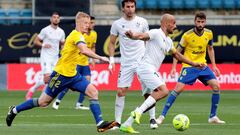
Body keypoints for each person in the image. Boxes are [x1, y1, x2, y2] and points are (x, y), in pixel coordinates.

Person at [6, 12, 118, 132]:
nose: (87, 25)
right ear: (77, 23)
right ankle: (14, 110)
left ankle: (100, 123)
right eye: (85, 23)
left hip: (73, 75)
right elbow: (84, 50)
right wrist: (101, 58)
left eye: (89, 23)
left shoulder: (80, 36)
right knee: (43, 102)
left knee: (93, 92)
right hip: (60, 75)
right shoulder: (76, 35)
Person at [119, 13, 205, 133]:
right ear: (166, 23)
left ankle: (127, 124)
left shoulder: (168, 41)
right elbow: (141, 36)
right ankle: (137, 112)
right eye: (174, 23)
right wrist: (132, 35)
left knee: (149, 97)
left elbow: (177, 55)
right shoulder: (155, 33)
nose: (175, 26)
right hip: (145, 68)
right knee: (164, 91)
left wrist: (194, 63)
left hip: (149, 70)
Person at [156, 12, 225, 125]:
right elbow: (177, 52)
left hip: (203, 66)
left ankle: (213, 117)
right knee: (178, 89)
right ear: (195, 22)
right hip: (189, 66)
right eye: (198, 22)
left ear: (205, 22)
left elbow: (210, 49)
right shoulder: (187, 35)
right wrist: (174, 68)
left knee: (216, 86)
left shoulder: (209, 33)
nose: (200, 24)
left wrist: (214, 66)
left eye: (202, 22)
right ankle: (162, 116)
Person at [108, 0, 158, 129]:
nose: (130, 9)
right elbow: (112, 42)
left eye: (132, 6)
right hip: (126, 63)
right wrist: (112, 59)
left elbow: (147, 39)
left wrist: (150, 59)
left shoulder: (142, 22)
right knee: (120, 92)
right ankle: (117, 122)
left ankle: (152, 119)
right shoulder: (117, 24)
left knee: (148, 91)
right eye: (127, 7)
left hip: (142, 62)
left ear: (135, 7)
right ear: (123, 8)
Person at [52, 16, 97, 110]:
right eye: (90, 23)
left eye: (92, 23)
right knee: (68, 83)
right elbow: (82, 48)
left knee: (87, 82)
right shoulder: (79, 34)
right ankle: (58, 100)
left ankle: (79, 103)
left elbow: (92, 47)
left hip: (85, 62)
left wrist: (93, 59)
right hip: (76, 63)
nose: (91, 25)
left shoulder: (94, 34)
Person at [25, 12, 65, 100]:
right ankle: (33, 91)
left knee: (51, 80)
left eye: (57, 17)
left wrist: (63, 52)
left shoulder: (61, 32)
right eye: (54, 17)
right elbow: (36, 41)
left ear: (59, 19)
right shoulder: (45, 30)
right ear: (51, 19)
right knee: (48, 78)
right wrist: (43, 45)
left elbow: (62, 44)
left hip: (55, 58)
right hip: (46, 57)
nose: (56, 19)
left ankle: (39, 96)